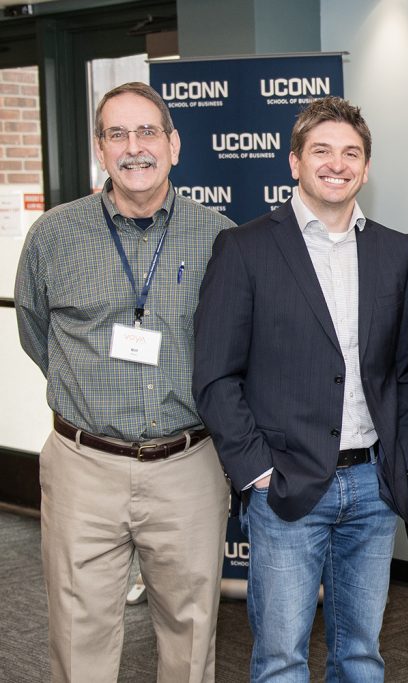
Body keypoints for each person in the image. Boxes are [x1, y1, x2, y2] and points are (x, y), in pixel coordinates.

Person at [192, 97, 408, 682]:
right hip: (286, 488)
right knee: (281, 659)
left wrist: (400, 463)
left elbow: (404, 371)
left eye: (351, 153)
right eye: (321, 150)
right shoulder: (244, 248)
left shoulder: (396, 251)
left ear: (367, 168)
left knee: (362, 654)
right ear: (294, 162)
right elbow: (216, 376)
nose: (336, 164)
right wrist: (258, 474)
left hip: (372, 487)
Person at [14, 82, 233, 682]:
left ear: (174, 144)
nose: (134, 148)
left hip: (188, 465)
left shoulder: (220, 237)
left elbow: (238, 349)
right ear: (100, 149)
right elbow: (37, 336)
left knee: (191, 640)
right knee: (77, 636)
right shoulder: (54, 237)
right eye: (117, 134)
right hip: (84, 466)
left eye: (147, 133)